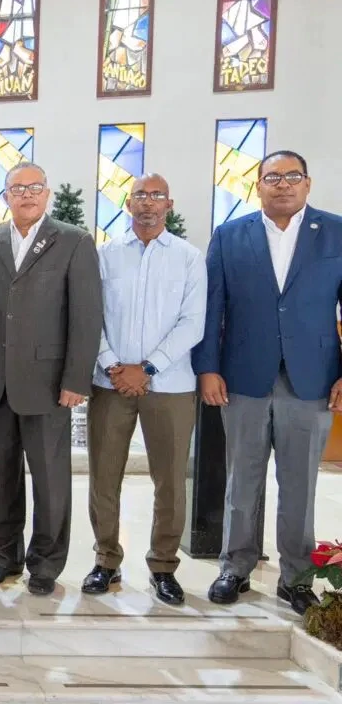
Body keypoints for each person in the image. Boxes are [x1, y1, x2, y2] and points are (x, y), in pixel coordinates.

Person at [193, 150, 342, 616]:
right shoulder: (230, 235)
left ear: (308, 183)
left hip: (312, 378)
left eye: (292, 176)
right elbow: (212, 307)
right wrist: (208, 367)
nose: (283, 184)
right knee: (242, 478)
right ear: (257, 185)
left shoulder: (335, 232)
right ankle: (235, 567)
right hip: (242, 376)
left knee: (300, 483)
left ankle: (296, 578)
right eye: (272, 177)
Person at [0, 162, 102, 595]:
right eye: (17, 188)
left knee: (50, 481)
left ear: (47, 194)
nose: (26, 194)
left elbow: (86, 314)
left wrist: (76, 378)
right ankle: (1, 557)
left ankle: (45, 564)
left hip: (48, 382)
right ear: (5, 196)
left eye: (35, 187)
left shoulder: (74, 241)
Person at [83, 174, 206, 605]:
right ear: (128, 203)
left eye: (156, 196)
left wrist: (148, 367)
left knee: (169, 481)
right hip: (110, 382)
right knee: (104, 476)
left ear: (169, 204)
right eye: (140, 195)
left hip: (170, 385)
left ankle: (163, 566)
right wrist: (113, 365)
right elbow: (91, 315)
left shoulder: (189, 258)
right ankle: (106, 560)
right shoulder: (105, 255)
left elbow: (193, 322)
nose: (148, 203)